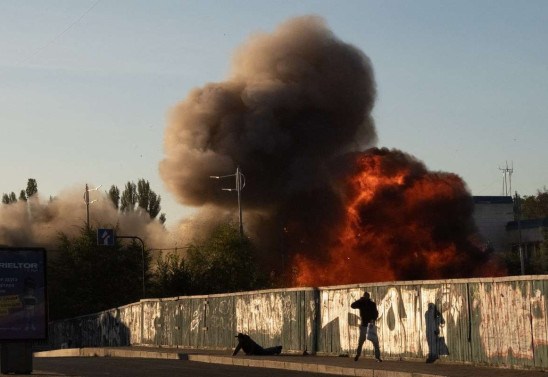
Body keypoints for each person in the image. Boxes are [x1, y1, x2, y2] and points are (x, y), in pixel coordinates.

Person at [351, 292, 381, 362]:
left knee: (370, 342)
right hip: (367, 325)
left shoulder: (366, 303)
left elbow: (376, 313)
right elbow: (352, 306)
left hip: (368, 325)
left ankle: (359, 355)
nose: (366, 298)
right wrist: (373, 319)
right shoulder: (364, 303)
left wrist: (360, 300)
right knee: (371, 342)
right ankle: (376, 357)